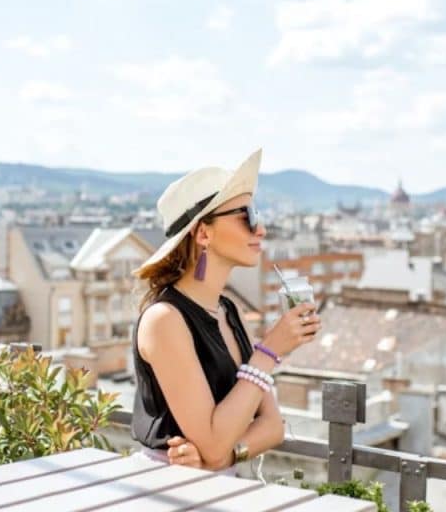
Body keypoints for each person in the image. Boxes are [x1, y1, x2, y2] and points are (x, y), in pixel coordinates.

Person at [130, 149, 321, 473]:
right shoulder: (165, 320)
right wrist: (269, 350)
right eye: (247, 215)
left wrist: (222, 456)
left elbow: (273, 427)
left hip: (215, 488)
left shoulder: (228, 312)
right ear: (203, 233)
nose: (260, 229)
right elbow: (217, 445)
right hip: (164, 491)